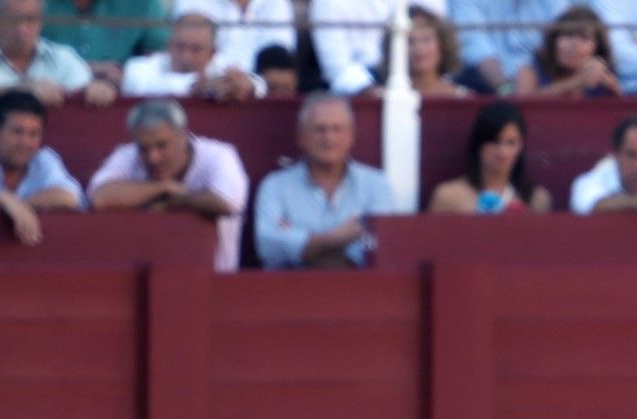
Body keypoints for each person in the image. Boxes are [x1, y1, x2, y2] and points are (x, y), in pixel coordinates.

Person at [85, 97, 250, 268]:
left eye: (162, 146)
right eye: (144, 149)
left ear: (183, 136)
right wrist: (164, 187)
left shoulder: (219, 155)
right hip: (138, 275)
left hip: (217, 279)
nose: (153, 158)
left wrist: (174, 201)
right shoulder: (127, 155)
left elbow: (227, 201)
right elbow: (99, 198)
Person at [253, 91, 395, 267]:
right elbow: (268, 248)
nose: (329, 138)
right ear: (301, 137)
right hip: (290, 291)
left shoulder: (376, 185)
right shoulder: (275, 186)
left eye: (337, 129)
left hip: (360, 290)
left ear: (351, 136)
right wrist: (340, 237)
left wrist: (302, 245)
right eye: (320, 129)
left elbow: (378, 247)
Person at [0, 88, 82, 244]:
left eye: (33, 134)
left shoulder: (44, 159)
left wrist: (19, 206)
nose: (25, 143)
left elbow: (70, 196)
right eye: (17, 132)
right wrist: (3, 199)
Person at [0, 0, 115, 103]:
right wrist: (24, 91)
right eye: (14, 19)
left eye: (30, 19)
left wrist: (96, 90)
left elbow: (84, 87)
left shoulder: (64, 58)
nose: (22, 28)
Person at [428, 100, 551, 213]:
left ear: (520, 146)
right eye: (494, 142)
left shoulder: (537, 199)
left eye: (511, 142)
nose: (502, 152)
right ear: (479, 144)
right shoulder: (448, 196)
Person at [312, 0, 449, 92]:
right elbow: (337, 69)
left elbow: (439, 37)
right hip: (364, 88)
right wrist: (376, 94)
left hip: (418, 76)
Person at [122, 12, 264, 97]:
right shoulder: (139, 69)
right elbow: (139, 84)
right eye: (179, 46)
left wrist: (247, 84)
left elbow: (261, 84)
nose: (186, 57)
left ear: (212, 52)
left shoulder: (223, 66)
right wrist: (199, 87)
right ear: (168, 45)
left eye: (196, 49)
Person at [42, 0, 170, 85]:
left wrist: (126, 76)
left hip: (122, 103)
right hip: (46, 101)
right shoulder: (34, 4)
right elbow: (23, 60)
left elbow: (161, 63)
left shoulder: (141, 4)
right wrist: (84, 70)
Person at [515, 4, 619, 96]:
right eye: (568, 35)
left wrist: (613, 88)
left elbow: (620, 115)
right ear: (554, 40)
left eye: (584, 38)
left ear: (597, 47)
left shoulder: (603, 76)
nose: (574, 44)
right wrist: (575, 82)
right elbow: (525, 106)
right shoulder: (530, 71)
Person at [171, 0, 292, 74]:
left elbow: (281, 61)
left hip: (265, 94)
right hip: (206, 95)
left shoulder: (277, 2)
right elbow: (185, 60)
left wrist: (252, 83)